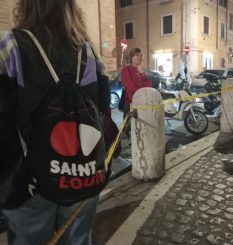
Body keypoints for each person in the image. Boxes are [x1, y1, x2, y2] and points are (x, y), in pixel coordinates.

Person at [0, 0, 111, 244]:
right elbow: (104, 113)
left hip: (29, 187)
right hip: (83, 178)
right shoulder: (90, 52)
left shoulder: (9, 45)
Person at [121, 48, 152, 118]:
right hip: (131, 105)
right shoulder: (126, 69)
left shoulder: (141, 70)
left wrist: (142, 73)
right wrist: (144, 89)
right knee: (129, 128)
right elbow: (131, 88)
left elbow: (149, 86)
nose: (140, 57)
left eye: (141, 55)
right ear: (131, 57)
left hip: (142, 104)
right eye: (137, 55)